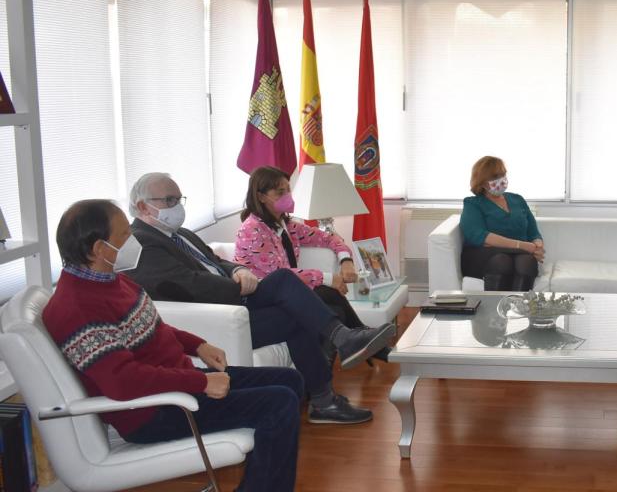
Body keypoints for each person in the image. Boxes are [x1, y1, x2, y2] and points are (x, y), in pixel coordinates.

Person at [43, 199, 303, 492]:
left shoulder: (110, 280)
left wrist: (198, 345)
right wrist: (200, 382)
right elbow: (122, 382)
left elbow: (153, 327)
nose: (132, 239)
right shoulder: (77, 308)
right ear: (99, 249)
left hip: (177, 386)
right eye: (124, 236)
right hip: (154, 411)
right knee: (279, 403)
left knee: (291, 381)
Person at [123, 172, 395, 425]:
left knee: (290, 292)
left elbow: (216, 261)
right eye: (169, 200)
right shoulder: (143, 243)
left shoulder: (179, 233)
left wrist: (238, 270)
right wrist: (235, 286)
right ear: (143, 207)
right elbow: (186, 285)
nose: (177, 206)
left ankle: (331, 378)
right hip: (219, 314)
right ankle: (336, 362)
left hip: (234, 300)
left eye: (178, 199)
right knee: (290, 290)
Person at [234, 166, 388, 363]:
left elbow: (329, 238)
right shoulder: (253, 231)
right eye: (280, 192)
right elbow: (281, 276)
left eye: (288, 190)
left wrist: (346, 261)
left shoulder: (285, 225)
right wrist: (329, 278)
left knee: (336, 309)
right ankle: (367, 341)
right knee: (329, 292)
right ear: (261, 197)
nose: (287, 196)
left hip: (289, 294)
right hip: (262, 298)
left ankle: (356, 346)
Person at [460, 156, 544, 291]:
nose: (500, 180)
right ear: (481, 182)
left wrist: (538, 246)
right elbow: (478, 236)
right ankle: (495, 310)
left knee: (526, 262)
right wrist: (521, 245)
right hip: (485, 255)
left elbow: (533, 232)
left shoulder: (518, 199)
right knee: (502, 261)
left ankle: (518, 310)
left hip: (520, 254)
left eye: (503, 175)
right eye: (494, 178)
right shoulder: (473, 203)